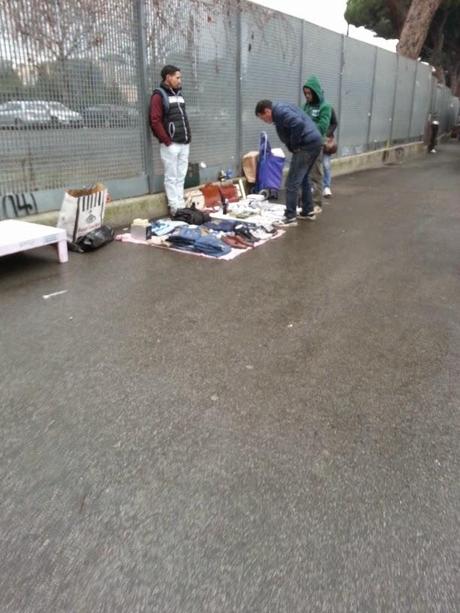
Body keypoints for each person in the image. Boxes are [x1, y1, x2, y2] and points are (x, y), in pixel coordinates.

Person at [255, 100, 322, 225]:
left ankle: (290, 216)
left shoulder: (280, 112)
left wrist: (295, 145)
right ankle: (308, 211)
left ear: (267, 111)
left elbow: (298, 124)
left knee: (291, 182)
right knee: (304, 178)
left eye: (263, 118)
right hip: (314, 141)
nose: (265, 121)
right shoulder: (281, 108)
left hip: (306, 145)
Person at [149, 65, 191, 216]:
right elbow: (155, 121)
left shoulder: (179, 94)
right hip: (171, 144)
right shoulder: (158, 96)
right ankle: (174, 208)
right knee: (171, 176)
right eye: (177, 77)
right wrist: (167, 142)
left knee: (181, 176)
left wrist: (187, 139)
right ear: (168, 77)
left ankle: (181, 204)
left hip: (184, 143)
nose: (180, 80)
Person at [302, 76, 332, 214]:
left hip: (315, 145)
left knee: (315, 174)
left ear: (315, 92)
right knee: (303, 174)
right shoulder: (306, 106)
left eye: (309, 93)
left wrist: (306, 124)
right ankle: (304, 201)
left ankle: (316, 203)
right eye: (305, 93)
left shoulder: (325, 106)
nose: (307, 96)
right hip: (303, 144)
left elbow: (322, 127)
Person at [322, 106, 338, 198]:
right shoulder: (310, 107)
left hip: (327, 140)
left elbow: (334, 123)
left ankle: (326, 187)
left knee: (326, 164)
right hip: (313, 139)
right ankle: (312, 187)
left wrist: (326, 134)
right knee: (312, 165)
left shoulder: (328, 108)